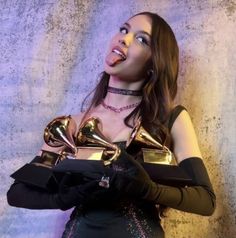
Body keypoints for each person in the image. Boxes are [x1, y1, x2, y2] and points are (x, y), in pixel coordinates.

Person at [7, 12, 216, 238]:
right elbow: (17, 192)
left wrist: (148, 190)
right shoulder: (71, 124)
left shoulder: (170, 119)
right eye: (124, 30)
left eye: (141, 39)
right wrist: (65, 198)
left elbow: (205, 200)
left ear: (155, 63)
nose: (123, 39)